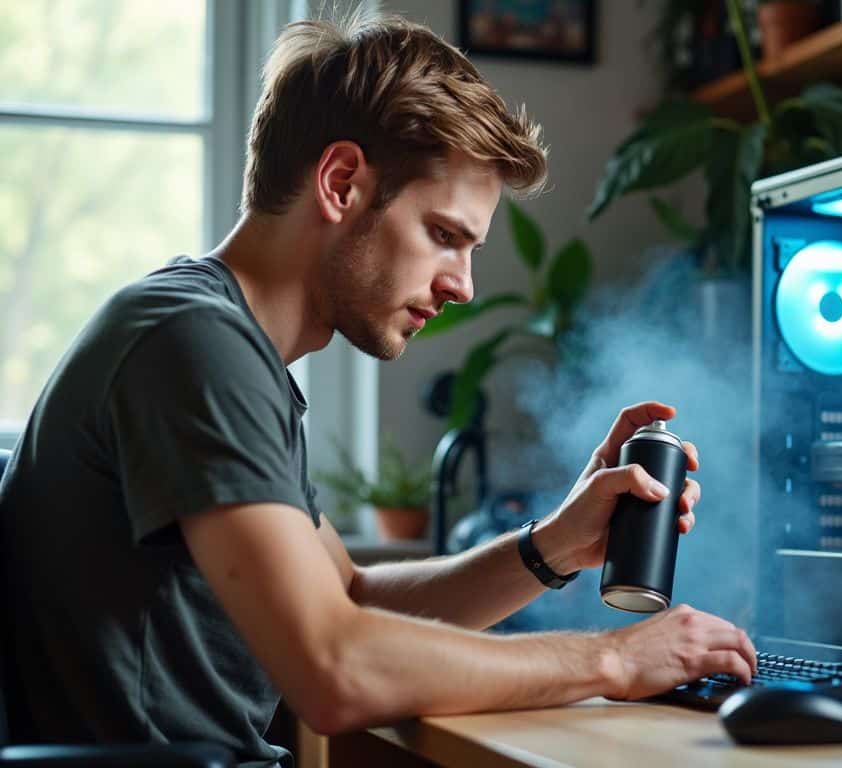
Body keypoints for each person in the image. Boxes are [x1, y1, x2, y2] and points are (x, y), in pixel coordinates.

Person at [0, 12, 755, 767]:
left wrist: (553, 544)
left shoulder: (226, 347)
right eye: (445, 235)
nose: (462, 284)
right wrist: (613, 661)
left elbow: (353, 599)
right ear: (340, 183)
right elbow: (335, 667)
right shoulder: (192, 342)